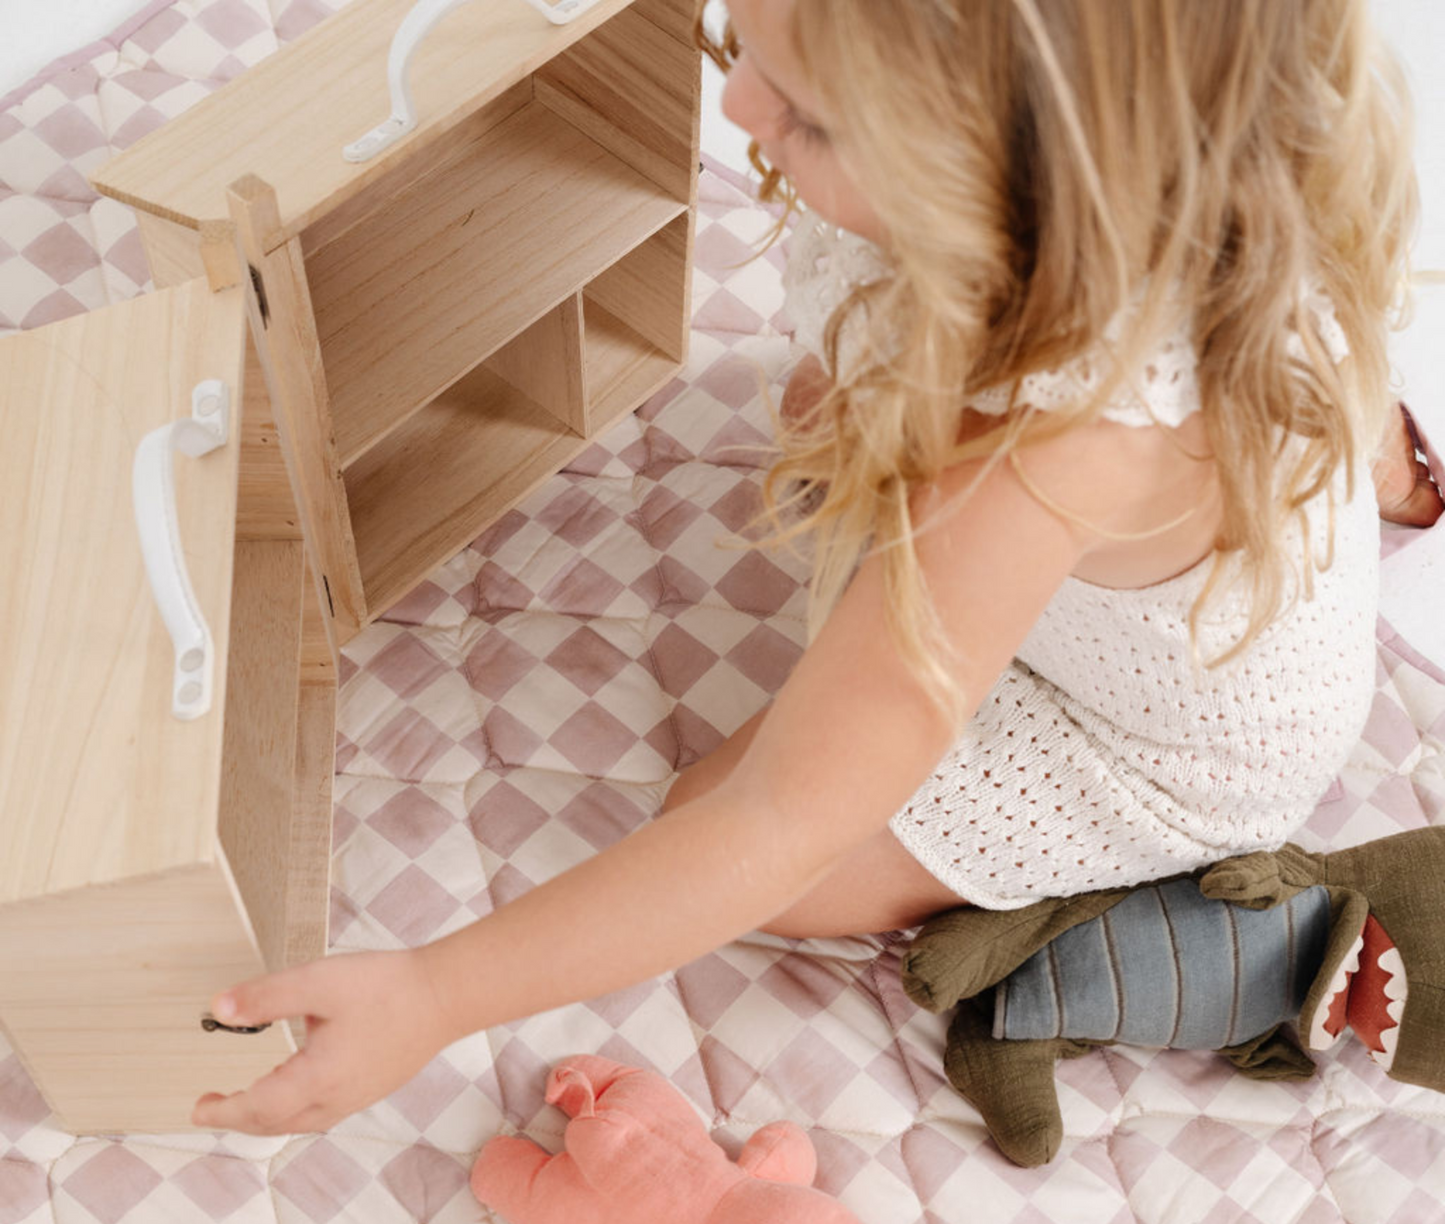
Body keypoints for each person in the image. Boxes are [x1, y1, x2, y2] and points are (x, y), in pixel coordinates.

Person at [194, 0, 1435, 1136]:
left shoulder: (1040, 454)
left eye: (808, 119)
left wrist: (431, 988)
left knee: (717, 832)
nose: (735, 114)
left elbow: (779, 815)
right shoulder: (1216, 152)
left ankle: (1179, 920)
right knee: (819, 410)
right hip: (1183, 487)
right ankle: (1367, 451)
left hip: (1155, 742)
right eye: (746, 44)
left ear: (1009, 197)